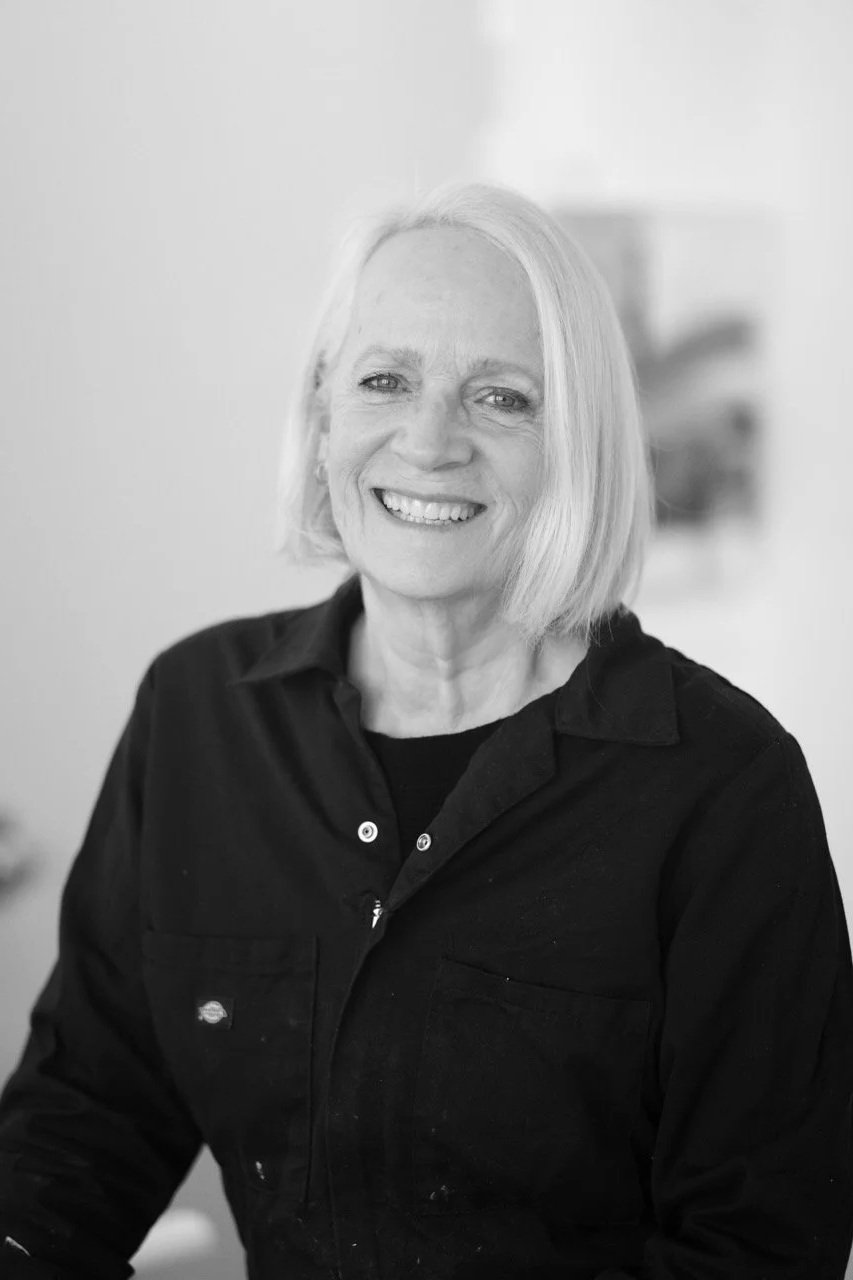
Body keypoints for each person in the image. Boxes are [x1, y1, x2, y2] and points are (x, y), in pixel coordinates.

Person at [1, 183, 851, 1280]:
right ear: (322, 415)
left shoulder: (723, 785)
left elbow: (758, 1245)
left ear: (578, 443)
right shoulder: (198, 712)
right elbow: (86, 1112)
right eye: (384, 380)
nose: (429, 440)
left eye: (501, 397)